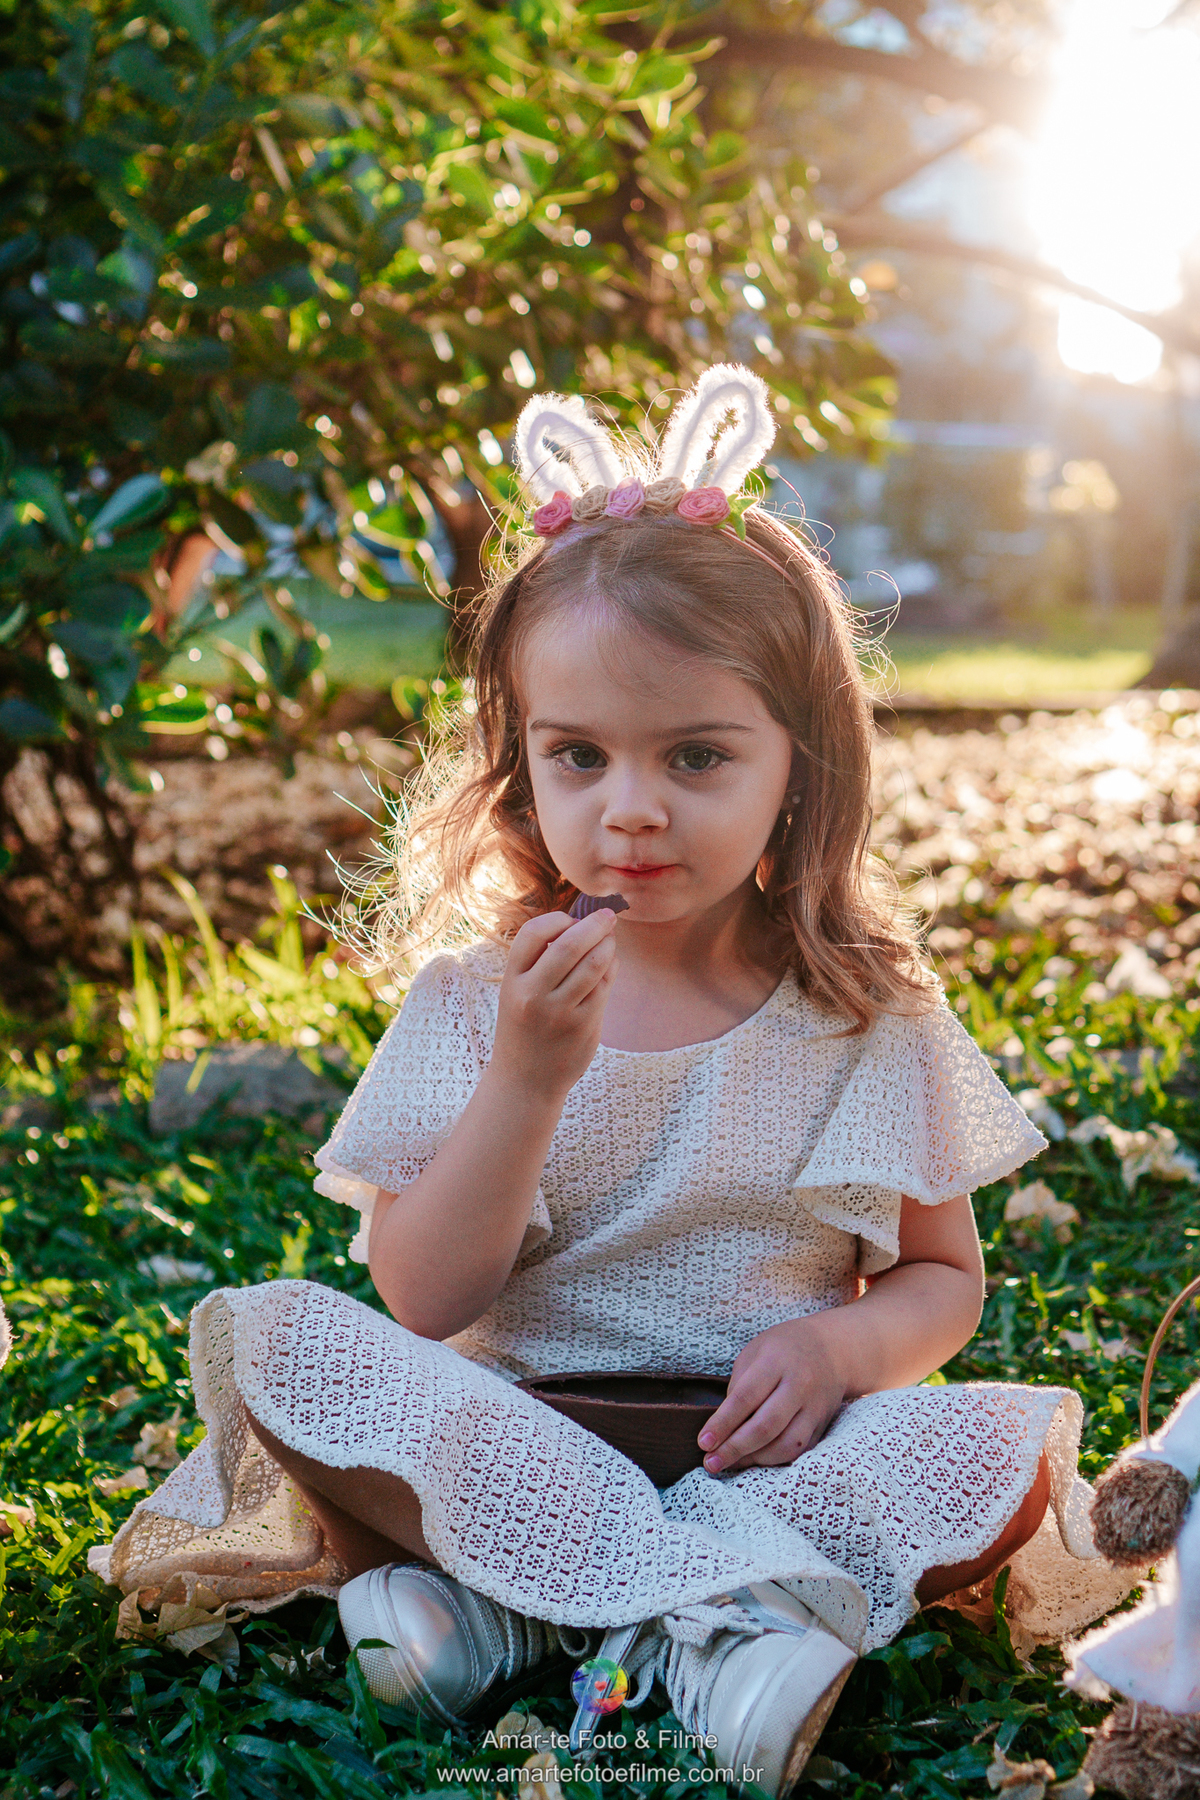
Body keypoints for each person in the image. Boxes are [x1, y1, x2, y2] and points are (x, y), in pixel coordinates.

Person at [91, 366, 1134, 1795]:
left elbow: (943, 1283)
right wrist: (526, 1082)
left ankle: (516, 1615)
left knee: (990, 1445)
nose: (629, 806)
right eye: (579, 755)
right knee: (286, 1341)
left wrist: (839, 1354)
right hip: (522, 1432)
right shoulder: (478, 1004)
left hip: (761, 1455)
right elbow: (426, 1302)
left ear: (799, 770)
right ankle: (688, 1621)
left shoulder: (862, 1012)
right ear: (524, 767)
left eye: (697, 755)